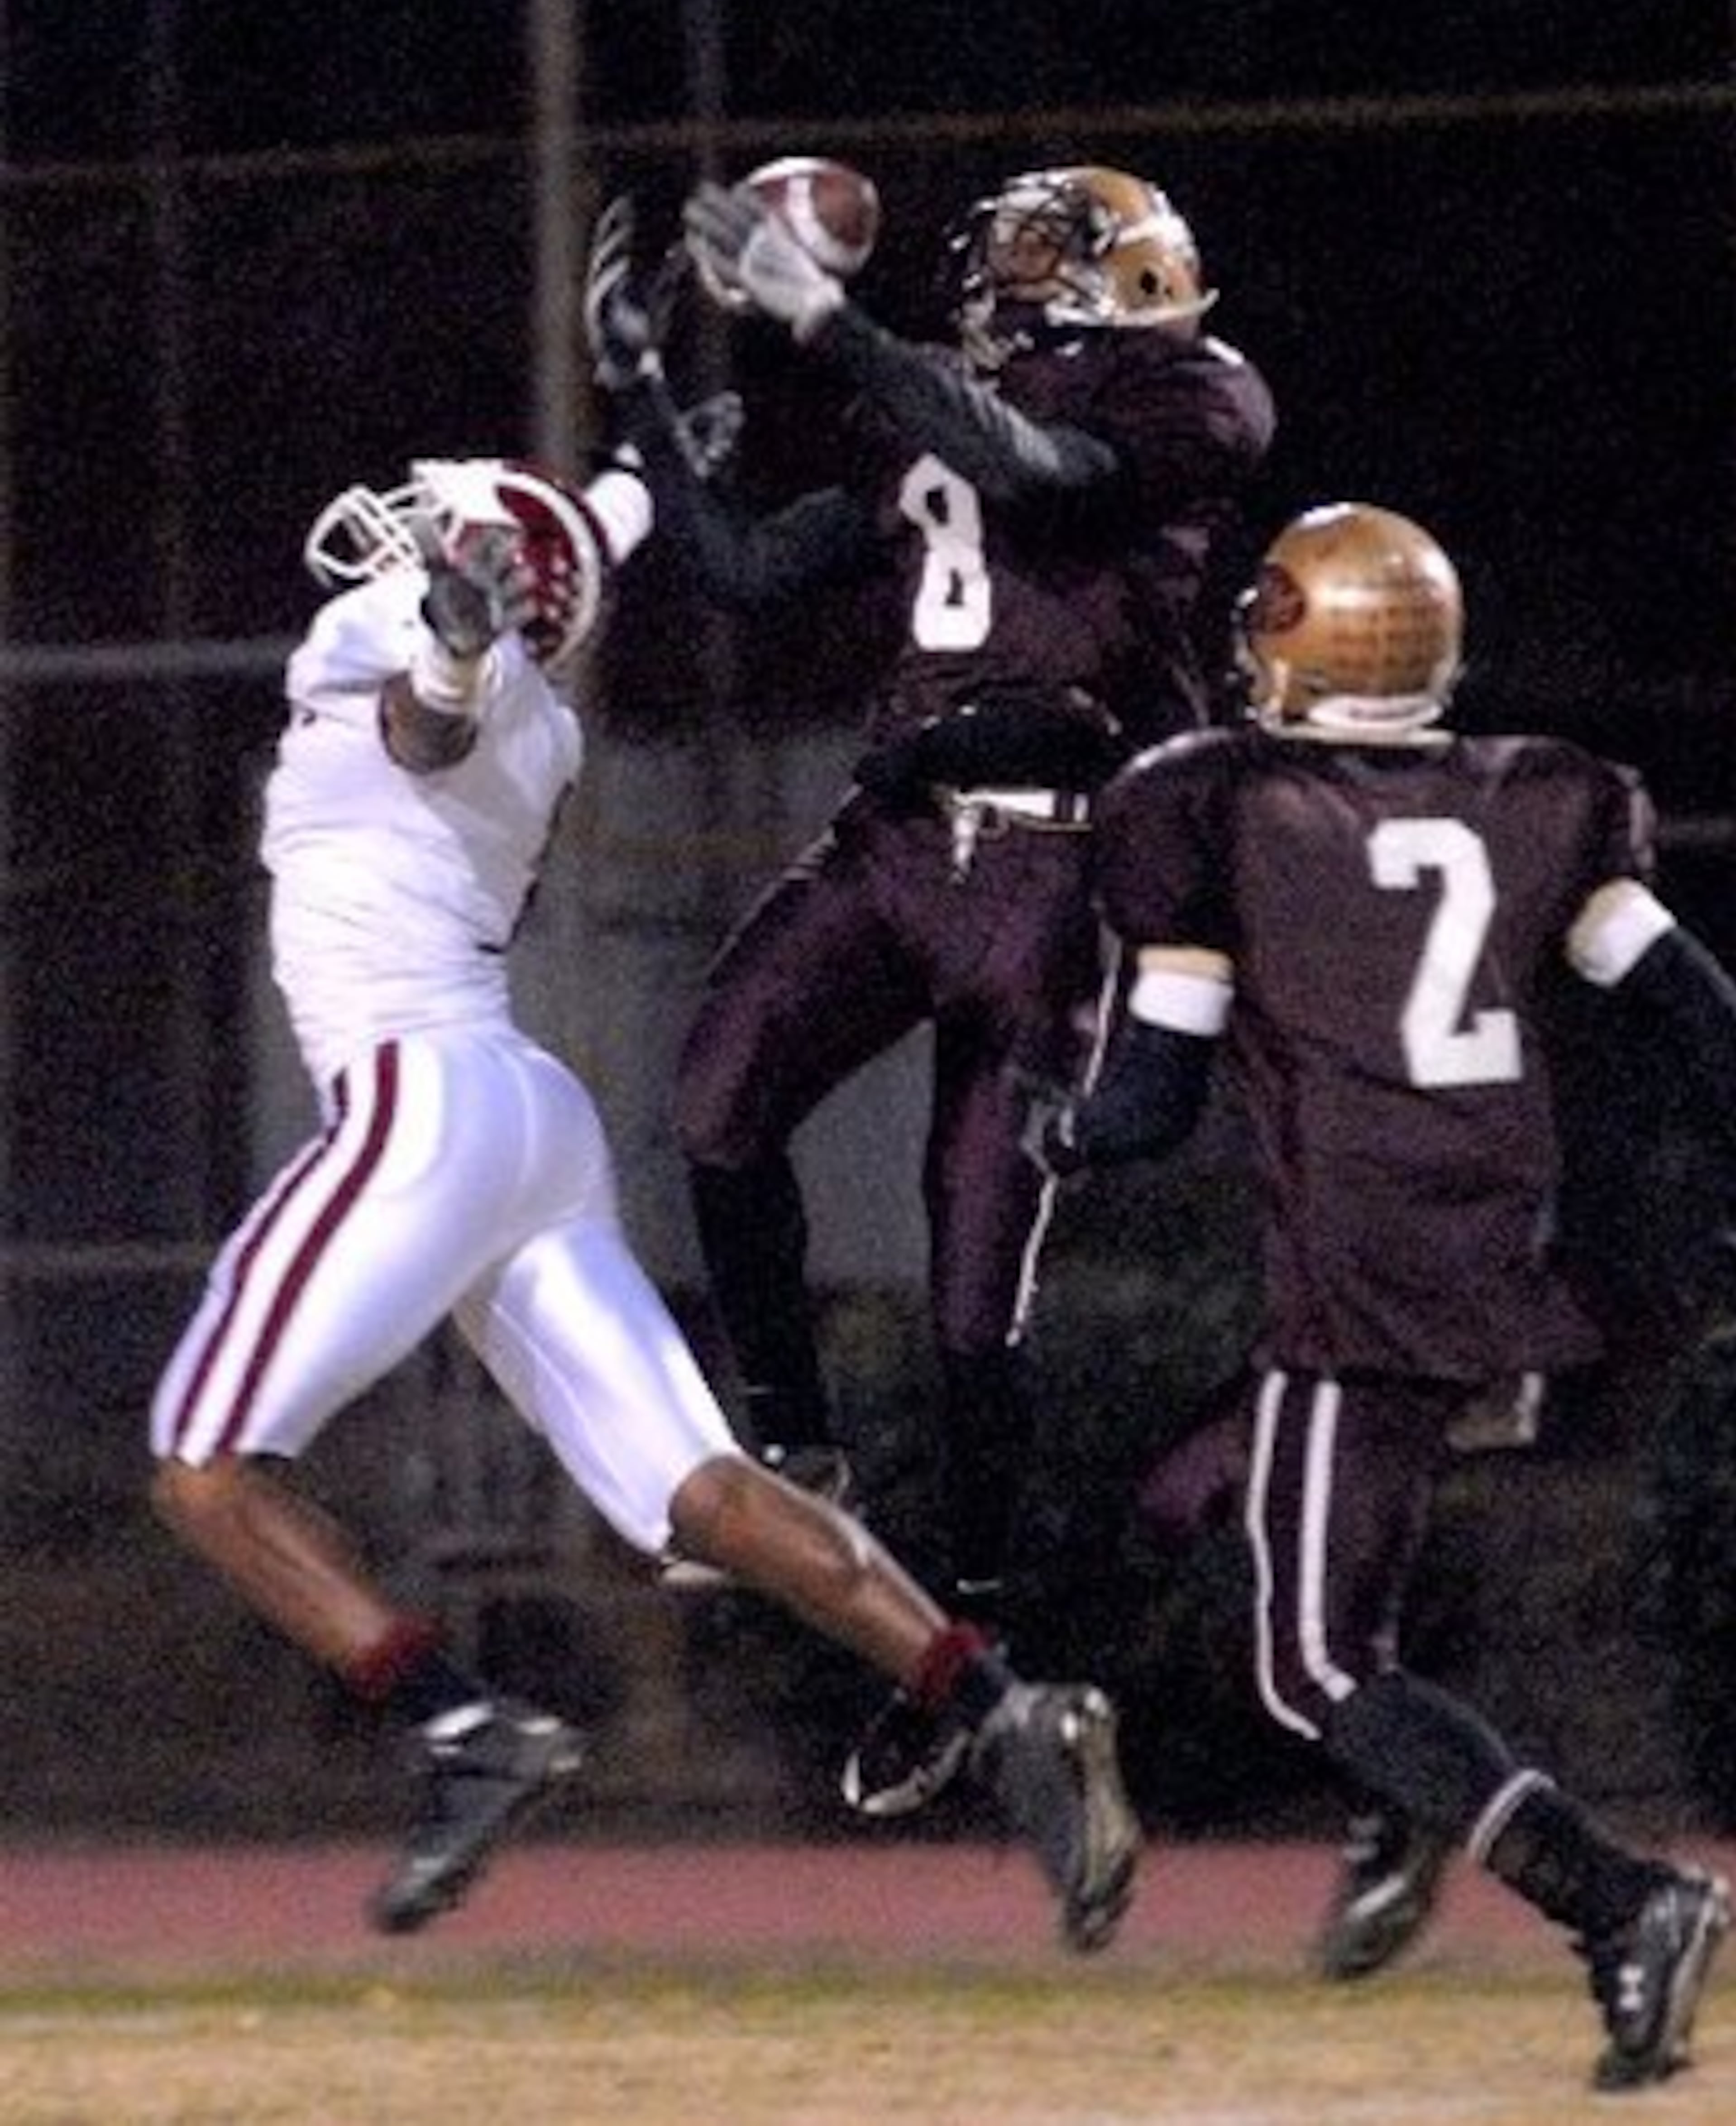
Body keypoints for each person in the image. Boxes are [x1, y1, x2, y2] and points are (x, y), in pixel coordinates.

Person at [146, 448, 1142, 1957]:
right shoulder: (548, 719)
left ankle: (462, 1721)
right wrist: (638, 456)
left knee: (203, 1463)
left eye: (449, 541)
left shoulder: (413, 644)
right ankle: (1009, 1708)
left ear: (482, 591)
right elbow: (576, 556)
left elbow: (430, 713)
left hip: (419, 1101)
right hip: (524, 1118)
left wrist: (456, 633)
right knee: (709, 1495)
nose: (411, 541)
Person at [583, 168, 1276, 1795]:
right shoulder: (927, 411)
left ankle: (967, 1655)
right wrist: (635, 390)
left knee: (978, 1308)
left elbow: (1038, 469)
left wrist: (833, 324)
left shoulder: (1200, 397)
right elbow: (750, 569)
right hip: (896, 841)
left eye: (1040, 259)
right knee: (716, 1100)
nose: (1009, 284)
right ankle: (795, 1427)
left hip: (1060, 874)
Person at [1025, 499, 1735, 2087]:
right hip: (1496, 1251)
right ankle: (1398, 1807)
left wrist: (1055, 1125)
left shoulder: (1221, 813)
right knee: (1239, 1520)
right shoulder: (1537, 798)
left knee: (1312, 1663)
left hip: (1367, 1278)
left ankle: (1619, 1900)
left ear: (1289, 640)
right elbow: (1697, 1011)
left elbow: (1145, 1102)